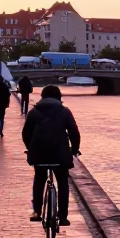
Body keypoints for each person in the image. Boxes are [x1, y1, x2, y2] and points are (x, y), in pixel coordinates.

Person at [22, 85, 80, 226]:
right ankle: (63, 216)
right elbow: (74, 133)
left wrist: (30, 148)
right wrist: (74, 150)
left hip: (39, 154)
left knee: (39, 178)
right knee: (62, 181)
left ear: (42, 96)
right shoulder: (65, 112)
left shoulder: (33, 112)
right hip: (60, 155)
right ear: (59, 97)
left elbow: (26, 134)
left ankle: (37, 212)